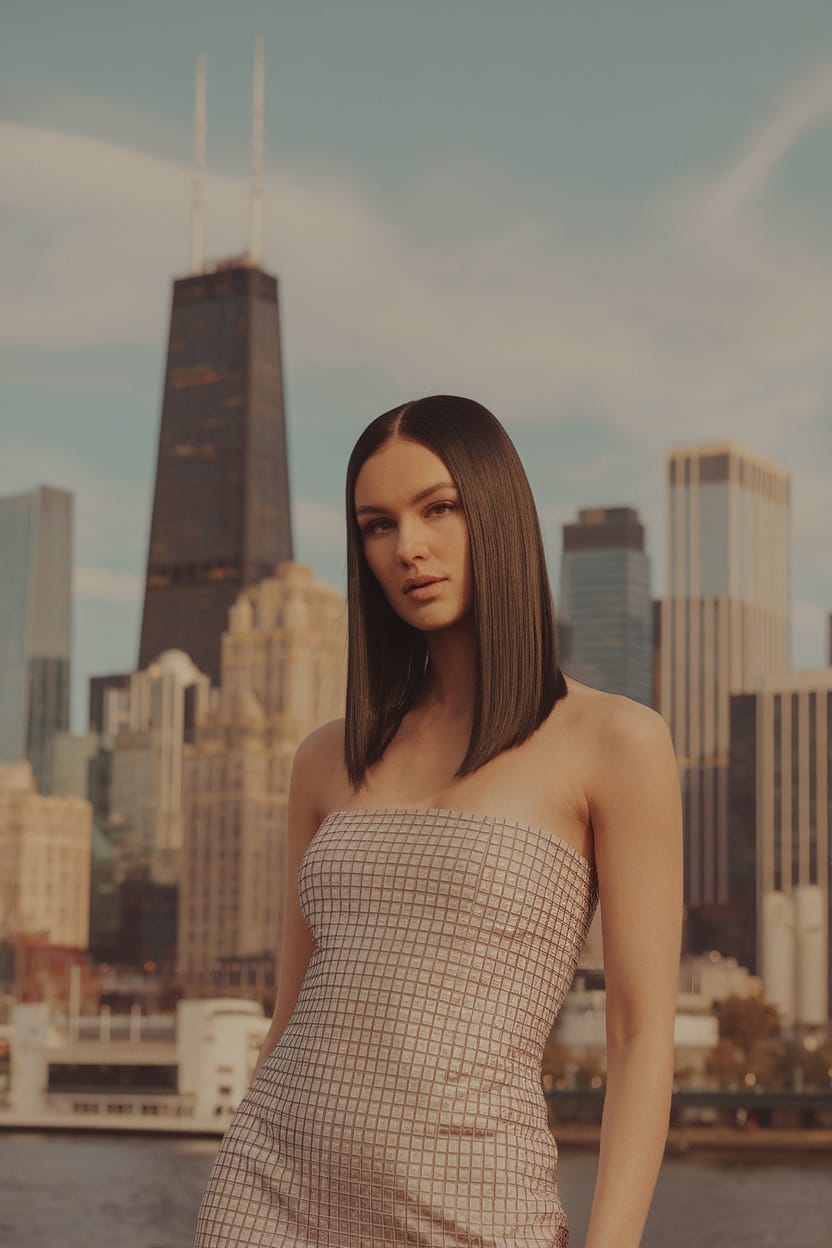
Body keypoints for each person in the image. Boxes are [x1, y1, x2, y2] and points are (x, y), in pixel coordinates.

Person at [194, 395, 683, 1248]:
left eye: (438, 508)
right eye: (377, 526)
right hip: (267, 1196)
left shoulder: (617, 743)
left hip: (474, 1209)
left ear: (494, 510)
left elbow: (641, 1035)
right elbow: (290, 1011)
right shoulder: (323, 758)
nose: (407, 548)